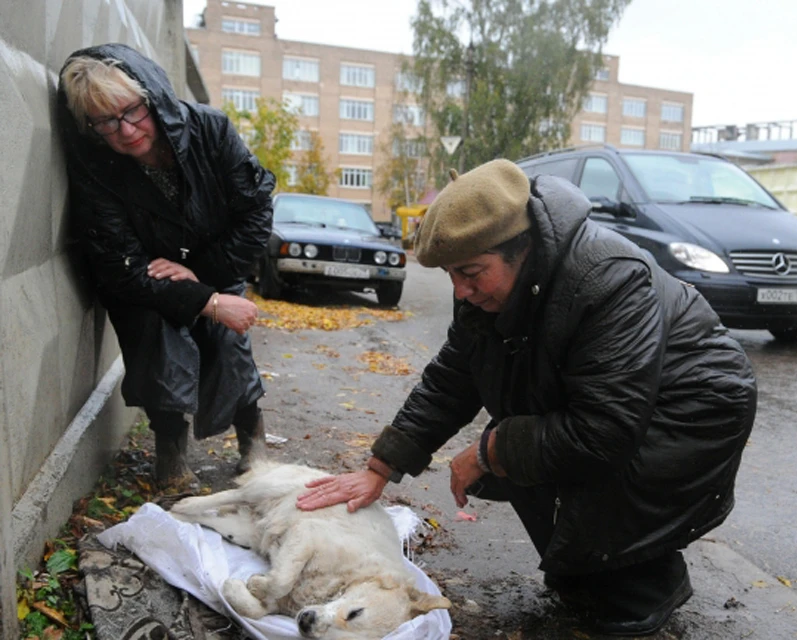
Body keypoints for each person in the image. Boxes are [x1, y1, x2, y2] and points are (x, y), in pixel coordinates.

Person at [296, 159, 757, 636]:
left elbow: (605, 429)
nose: (461, 289)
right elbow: (455, 374)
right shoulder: (486, 283)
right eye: (453, 274)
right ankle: (588, 568)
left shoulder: (609, 277)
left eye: (472, 273)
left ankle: (646, 588)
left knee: (541, 453)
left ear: (524, 248)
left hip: (692, 411)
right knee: (527, 449)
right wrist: (381, 467)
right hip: (621, 407)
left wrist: (490, 450)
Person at [56, 44, 275, 489]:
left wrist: (207, 283)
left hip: (217, 261)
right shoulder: (96, 168)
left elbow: (255, 213)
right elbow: (120, 266)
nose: (125, 130)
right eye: (106, 122)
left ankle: (253, 438)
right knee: (157, 339)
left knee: (229, 344)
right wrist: (203, 300)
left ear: (150, 97)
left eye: (131, 111)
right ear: (91, 127)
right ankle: (171, 455)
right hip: (146, 280)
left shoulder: (210, 130)